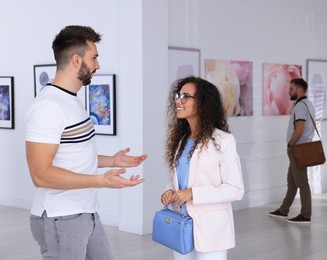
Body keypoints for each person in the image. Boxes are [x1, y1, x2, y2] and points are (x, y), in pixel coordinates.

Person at [25, 25, 148, 259]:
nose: (98, 65)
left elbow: (73, 155)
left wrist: (112, 160)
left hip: (87, 213)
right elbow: (39, 174)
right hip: (60, 217)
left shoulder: (71, 101)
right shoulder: (48, 107)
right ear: (75, 60)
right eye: (94, 58)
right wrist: (99, 181)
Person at [160, 76, 244, 260]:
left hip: (211, 229)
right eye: (178, 95)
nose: (178, 100)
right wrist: (168, 191)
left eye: (185, 96)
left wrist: (193, 193)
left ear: (203, 103)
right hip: (181, 224)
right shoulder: (182, 140)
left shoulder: (224, 141)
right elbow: (178, 177)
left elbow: (236, 190)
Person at [269, 78, 315, 223]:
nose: (289, 92)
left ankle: (306, 214)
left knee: (301, 182)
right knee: (292, 181)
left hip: (298, 148)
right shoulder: (308, 104)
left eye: (291, 89)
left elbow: (300, 128)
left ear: (299, 90)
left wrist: (291, 144)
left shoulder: (301, 106)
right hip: (301, 147)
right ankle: (283, 210)